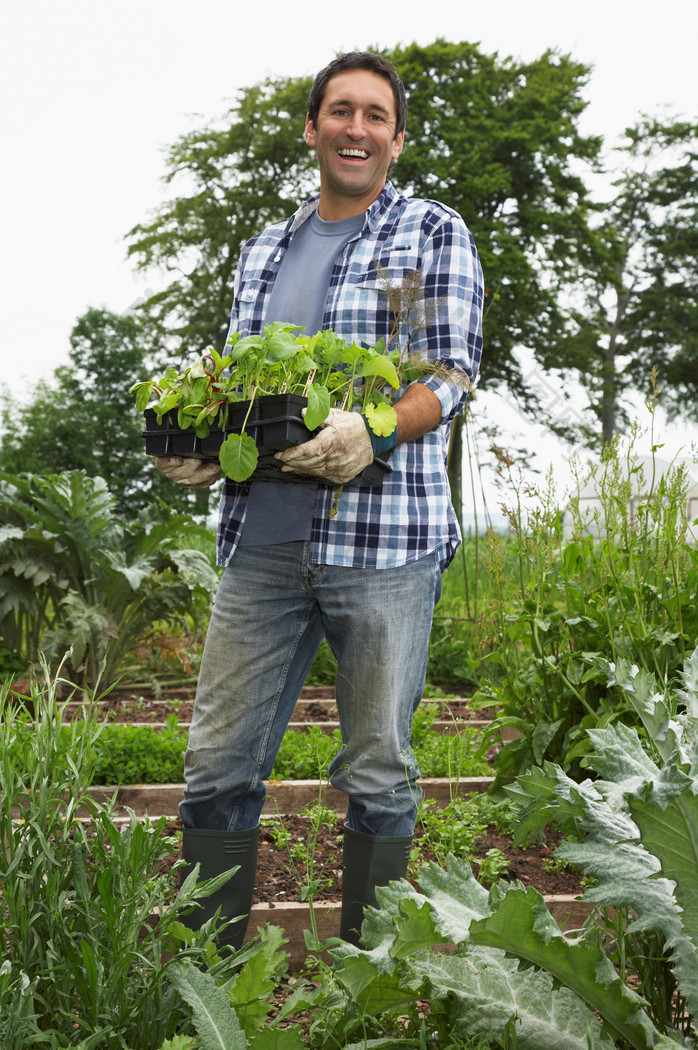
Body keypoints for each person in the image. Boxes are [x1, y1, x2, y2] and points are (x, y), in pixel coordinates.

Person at [156, 50, 484, 949]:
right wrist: (199, 445)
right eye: (340, 111)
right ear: (312, 127)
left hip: (383, 546)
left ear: (397, 138)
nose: (356, 128)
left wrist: (371, 432)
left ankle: (362, 989)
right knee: (216, 768)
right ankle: (211, 992)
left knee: (377, 770)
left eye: (376, 116)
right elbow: (235, 381)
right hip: (261, 543)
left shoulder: (431, 235)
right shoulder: (264, 249)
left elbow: (449, 372)